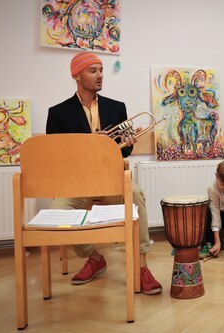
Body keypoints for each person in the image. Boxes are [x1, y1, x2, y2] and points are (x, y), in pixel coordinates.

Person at [46, 52, 162, 295]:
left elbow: (124, 150)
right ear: (76, 75)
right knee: (56, 214)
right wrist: (89, 142)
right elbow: (55, 158)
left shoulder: (116, 107)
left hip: (111, 181)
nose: (100, 75)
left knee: (137, 196)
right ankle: (94, 257)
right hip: (77, 184)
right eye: (93, 70)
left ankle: (141, 267)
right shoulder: (58, 113)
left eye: (101, 70)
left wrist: (129, 142)